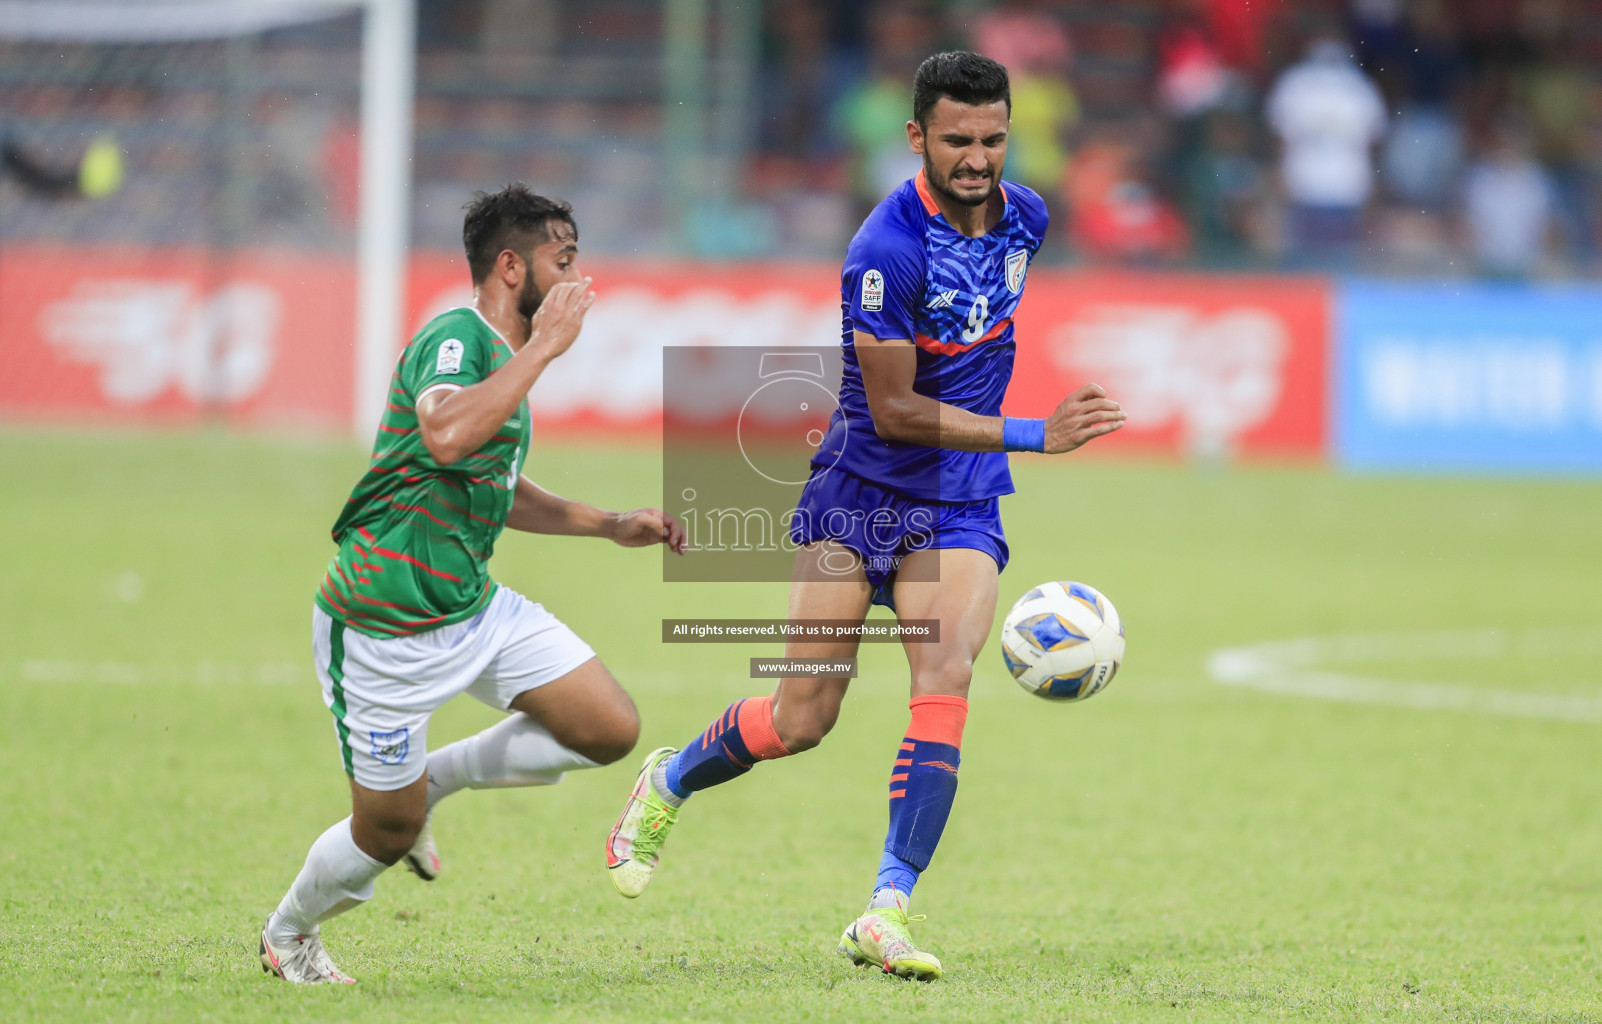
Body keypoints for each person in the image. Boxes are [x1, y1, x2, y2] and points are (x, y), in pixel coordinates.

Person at [605, 52, 1125, 980]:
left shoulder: (1028, 220)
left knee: (948, 672)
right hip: (861, 498)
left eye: (994, 139)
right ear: (917, 136)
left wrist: (997, 442)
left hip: (959, 500)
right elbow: (890, 410)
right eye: (957, 140)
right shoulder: (884, 249)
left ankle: (886, 907)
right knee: (804, 719)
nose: (977, 157)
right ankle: (671, 778)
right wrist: (1033, 434)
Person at [259, 184, 686, 984]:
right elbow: (449, 435)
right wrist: (544, 348)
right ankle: (289, 933)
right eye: (565, 261)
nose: (578, 281)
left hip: (471, 606)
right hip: (382, 625)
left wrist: (608, 522)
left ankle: (435, 779)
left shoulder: (509, 363)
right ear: (511, 265)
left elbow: (496, 482)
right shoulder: (458, 338)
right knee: (383, 834)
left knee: (607, 727)